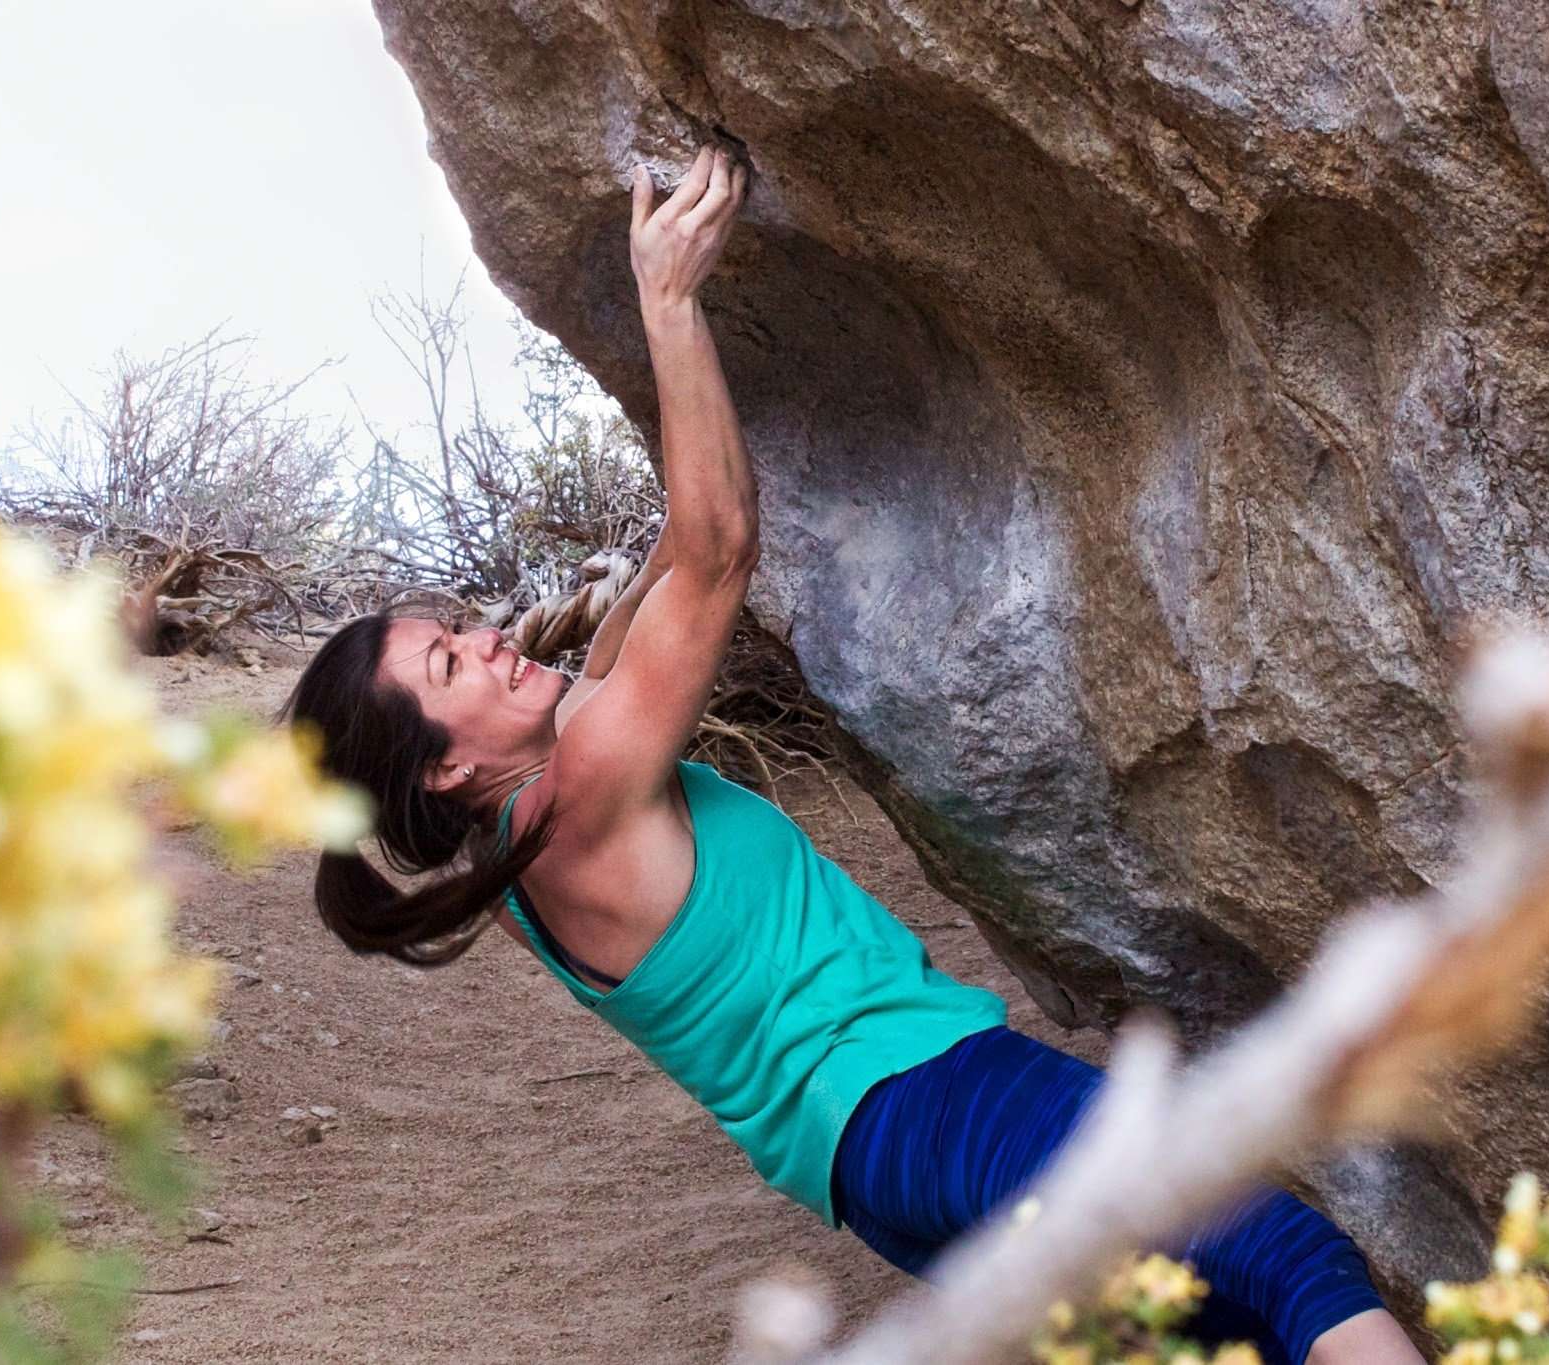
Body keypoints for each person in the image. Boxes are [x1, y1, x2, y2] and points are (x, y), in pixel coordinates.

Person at [284, 146, 1424, 1365]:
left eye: (456, 629)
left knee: (1203, 1336)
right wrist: (665, 299)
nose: (490, 644)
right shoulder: (589, 786)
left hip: (869, 1175)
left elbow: (649, 595)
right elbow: (714, 551)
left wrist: (619, 589)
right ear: (446, 771)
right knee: (1280, 1257)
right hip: (932, 1097)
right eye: (452, 669)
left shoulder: (510, 862)